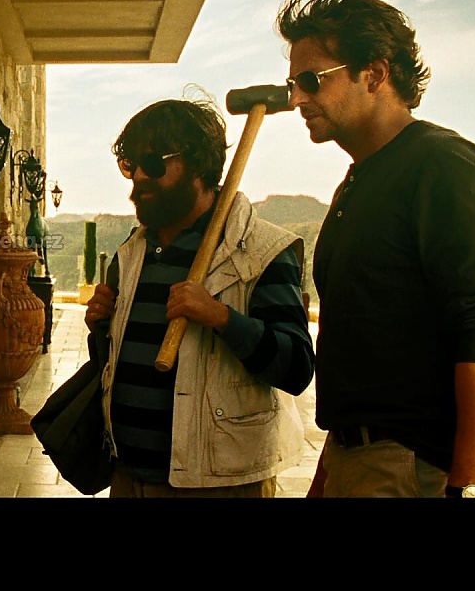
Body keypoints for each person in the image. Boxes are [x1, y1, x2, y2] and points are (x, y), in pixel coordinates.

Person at [277, 0, 475, 498]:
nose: (296, 98)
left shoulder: (444, 167)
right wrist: (330, 473)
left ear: (375, 73)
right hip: (358, 459)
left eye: (311, 80)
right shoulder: (360, 180)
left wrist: (471, 486)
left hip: (419, 469)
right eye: (293, 83)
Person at [83, 96, 315, 497]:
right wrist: (101, 327)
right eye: (130, 164)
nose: (139, 175)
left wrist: (222, 318)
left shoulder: (262, 253)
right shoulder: (131, 254)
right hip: (128, 478)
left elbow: (296, 369)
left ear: (197, 165)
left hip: (217, 484)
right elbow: (119, 365)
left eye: (153, 162)